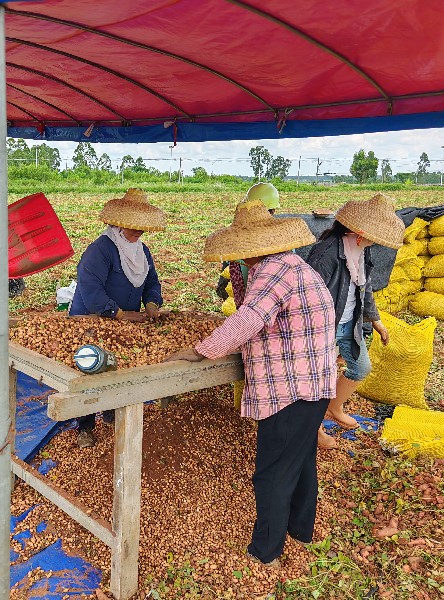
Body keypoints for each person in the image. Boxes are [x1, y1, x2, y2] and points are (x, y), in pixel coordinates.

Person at [166, 199, 337, 568]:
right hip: (315, 383)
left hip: (290, 388)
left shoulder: (274, 272)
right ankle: (300, 531)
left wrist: (201, 350)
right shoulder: (292, 264)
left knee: (273, 472)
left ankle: (266, 552)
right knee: (301, 460)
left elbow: (248, 319)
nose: (240, 257)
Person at [305, 194, 405, 450]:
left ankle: (334, 407)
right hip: (323, 328)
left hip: (350, 322)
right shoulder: (326, 253)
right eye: (374, 236)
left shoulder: (361, 250)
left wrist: (376, 321)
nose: (376, 242)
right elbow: (307, 297)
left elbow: (365, 287)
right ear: (359, 232)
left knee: (361, 368)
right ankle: (313, 429)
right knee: (320, 381)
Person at [69, 188, 166, 448]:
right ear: (119, 224)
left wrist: (152, 303)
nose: (138, 232)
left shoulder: (142, 251)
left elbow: (152, 282)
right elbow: (91, 288)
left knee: (117, 364)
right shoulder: (101, 250)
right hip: (91, 318)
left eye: (141, 227)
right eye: (133, 226)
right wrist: (119, 314)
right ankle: (85, 426)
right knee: (89, 368)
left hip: (124, 321)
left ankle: (111, 411)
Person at [216, 182, 281, 303]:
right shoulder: (285, 238)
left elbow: (229, 268)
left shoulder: (237, 234)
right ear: (273, 210)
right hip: (271, 299)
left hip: (244, 299)